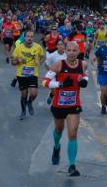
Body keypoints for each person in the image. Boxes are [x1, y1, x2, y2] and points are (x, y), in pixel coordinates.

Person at [43, 41, 88, 177]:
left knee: (73, 133)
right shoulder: (58, 65)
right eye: (69, 50)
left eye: (75, 51)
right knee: (59, 129)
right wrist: (60, 83)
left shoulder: (83, 64)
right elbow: (45, 82)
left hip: (73, 105)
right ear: (65, 51)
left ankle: (72, 165)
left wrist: (84, 81)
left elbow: (84, 76)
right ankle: (56, 147)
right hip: (59, 104)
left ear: (78, 52)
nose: (72, 53)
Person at [11, 31, 45, 120]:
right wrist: (18, 61)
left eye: (31, 36)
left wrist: (40, 62)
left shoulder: (38, 47)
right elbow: (13, 62)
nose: (30, 38)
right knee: (24, 94)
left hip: (33, 74)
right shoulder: (19, 47)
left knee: (34, 93)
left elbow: (42, 57)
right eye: (28, 36)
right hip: (21, 75)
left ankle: (29, 103)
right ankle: (23, 111)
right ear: (24, 37)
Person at [45, 40, 67, 105]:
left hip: (63, 75)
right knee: (55, 91)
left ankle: (58, 101)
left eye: (62, 44)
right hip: (54, 75)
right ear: (56, 46)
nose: (60, 46)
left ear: (64, 46)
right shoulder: (52, 55)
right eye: (59, 45)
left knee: (62, 90)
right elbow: (46, 64)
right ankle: (52, 95)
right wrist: (51, 71)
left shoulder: (67, 55)